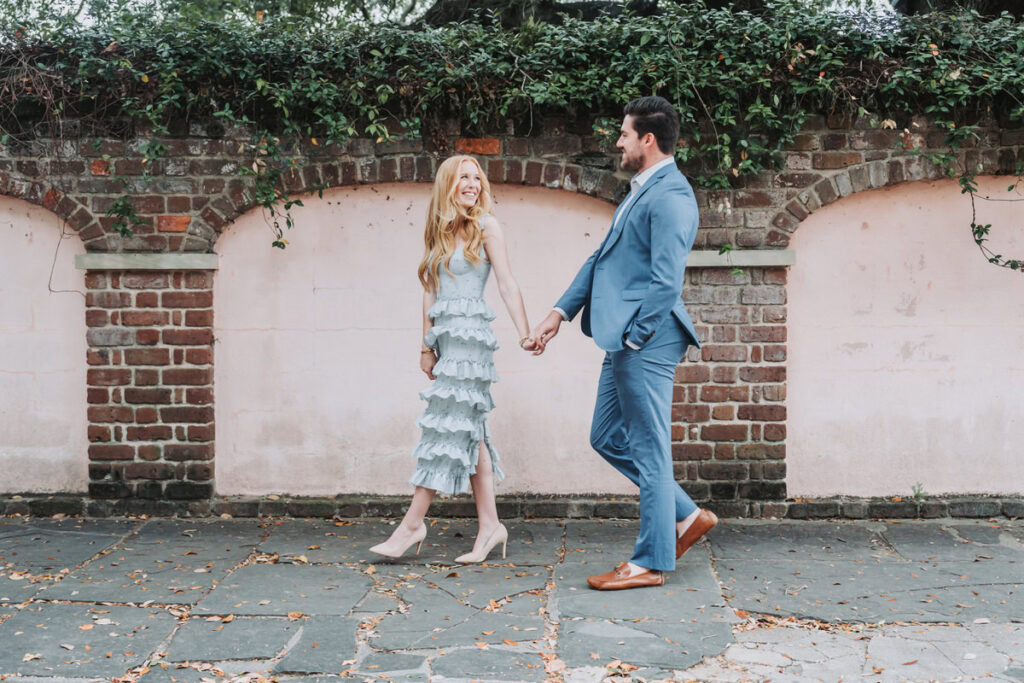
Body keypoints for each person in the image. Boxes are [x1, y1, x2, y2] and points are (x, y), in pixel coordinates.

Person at [529, 96, 717, 590]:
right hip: (627, 338)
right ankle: (686, 516)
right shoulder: (640, 190)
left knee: (651, 450)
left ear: (647, 140)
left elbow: (666, 279)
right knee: (605, 436)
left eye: (624, 134)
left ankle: (650, 563)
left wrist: (636, 338)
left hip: (647, 339)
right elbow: (600, 259)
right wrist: (558, 313)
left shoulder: (672, 194)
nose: (618, 141)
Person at [370, 155, 535, 563]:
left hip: (472, 344)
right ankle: (490, 527)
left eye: (476, 177)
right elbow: (429, 289)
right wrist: (425, 346)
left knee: (445, 430)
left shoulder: (487, 226)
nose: (472, 184)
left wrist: (524, 332)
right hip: (446, 343)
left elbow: (507, 282)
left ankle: (412, 524)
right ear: (448, 184)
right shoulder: (439, 232)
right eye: (464, 177)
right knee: (469, 428)